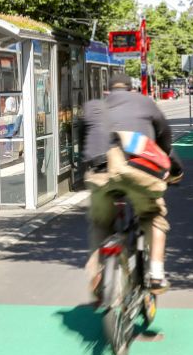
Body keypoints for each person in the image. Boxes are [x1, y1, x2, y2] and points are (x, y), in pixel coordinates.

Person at [79, 74, 184, 299]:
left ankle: (97, 274)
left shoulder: (100, 107)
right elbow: (165, 136)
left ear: (107, 91)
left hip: (103, 172)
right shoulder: (145, 102)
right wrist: (171, 166)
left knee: (100, 222)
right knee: (154, 217)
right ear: (132, 89)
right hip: (139, 172)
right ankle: (156, 274)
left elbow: (85, 142)